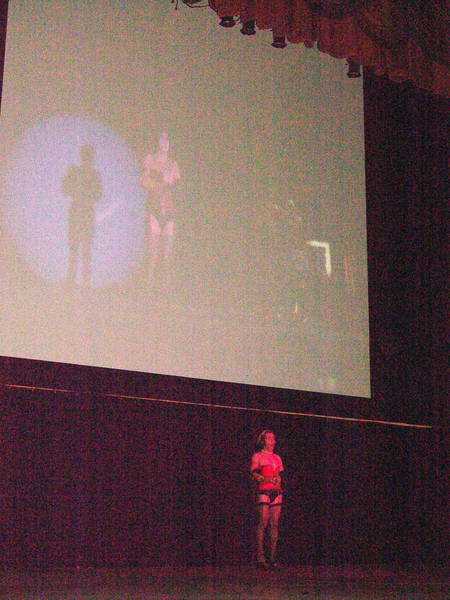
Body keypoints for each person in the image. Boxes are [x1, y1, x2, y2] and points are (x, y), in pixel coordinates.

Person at [141, 132, 180, 283]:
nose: (165, 143)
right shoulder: (150, 159)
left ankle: (165, 288)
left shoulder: (173, 164)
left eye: (167, 140)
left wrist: (169, 185)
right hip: (155, 209)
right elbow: (143, 181)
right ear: (157, 142)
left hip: (168, 211)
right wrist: (159, 182)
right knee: (152, 255)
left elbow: (177, 186)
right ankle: (148, 287)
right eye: (162, 140)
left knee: (168, 256)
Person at [250, 430, 284, 569]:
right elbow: (254, 473)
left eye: (273, 439)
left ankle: (272, 558)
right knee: (262, 523)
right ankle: (260, 557)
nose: (272, 441)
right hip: (264, 490)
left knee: (274, 524)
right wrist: (262, 478)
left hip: (277, 491)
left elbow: (280, 475)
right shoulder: (258, 456)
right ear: (263, 441)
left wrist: (278, 479)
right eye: (269, 438)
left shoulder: (277, 458)